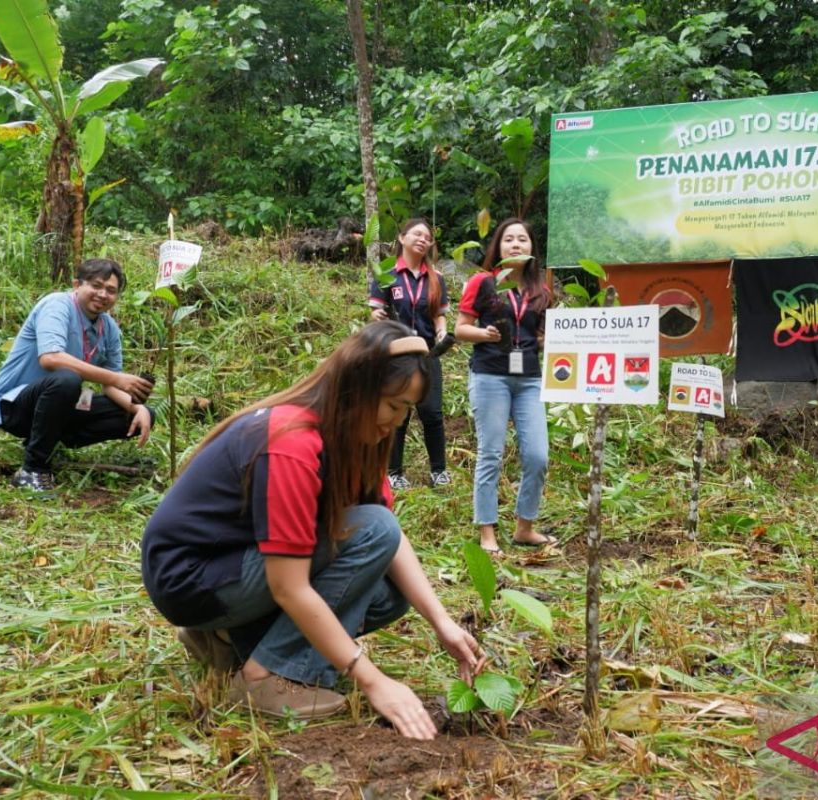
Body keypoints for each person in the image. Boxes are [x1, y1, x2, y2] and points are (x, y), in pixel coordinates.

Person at [141, 322, 484, 737]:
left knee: (389, 593)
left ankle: (227, 638)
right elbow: (291, 585)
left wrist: (442, 623)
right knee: (374, 530)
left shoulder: (351, 439)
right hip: (192, 578)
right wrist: (373, 681)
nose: (395, 424)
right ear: (357, 388)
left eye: (405, 412)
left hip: (239, 568)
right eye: (392, 406)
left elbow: (390, 539)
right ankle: (265, 677)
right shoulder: (294, 441)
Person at [0, 258, 154, 492]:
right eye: (96, 286)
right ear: (77, 284)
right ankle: (32, 469)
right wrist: (116, 379)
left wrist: (138, 408)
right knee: (67, 379)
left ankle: (46, 442)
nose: (102, 294)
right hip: (15, 407)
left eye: (111, 290)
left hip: (56, 407)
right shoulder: (57, 305)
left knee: (139, 414)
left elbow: (110, 386)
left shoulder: (109, 329)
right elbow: (51, 358)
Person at [455, 218, 555, 555]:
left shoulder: (542, 290)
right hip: (490, 375)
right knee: (491, 453)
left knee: (538, 455)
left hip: (529, 379)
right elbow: (460, 329)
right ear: (497, 247)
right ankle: (487, 531)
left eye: (522, 239)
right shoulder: (482, 283)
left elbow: (541, 337)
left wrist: (556, 339)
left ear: (531, 248)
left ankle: (525, 527)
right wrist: (483, 334)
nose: (515, 244)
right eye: (508, 239)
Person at [368, 219, 451, 490]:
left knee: (432, 413)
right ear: (402, 238)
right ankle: (394, 472)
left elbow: (439, 316)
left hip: (427, 352)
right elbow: (376, 310)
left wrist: (442, 335)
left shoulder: (436, 278)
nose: (422, 239)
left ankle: (438, 471)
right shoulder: (387, 272)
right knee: (398, 413)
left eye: (427, 236)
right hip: (396, 352)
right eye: (416, 234)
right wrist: (376, 315)